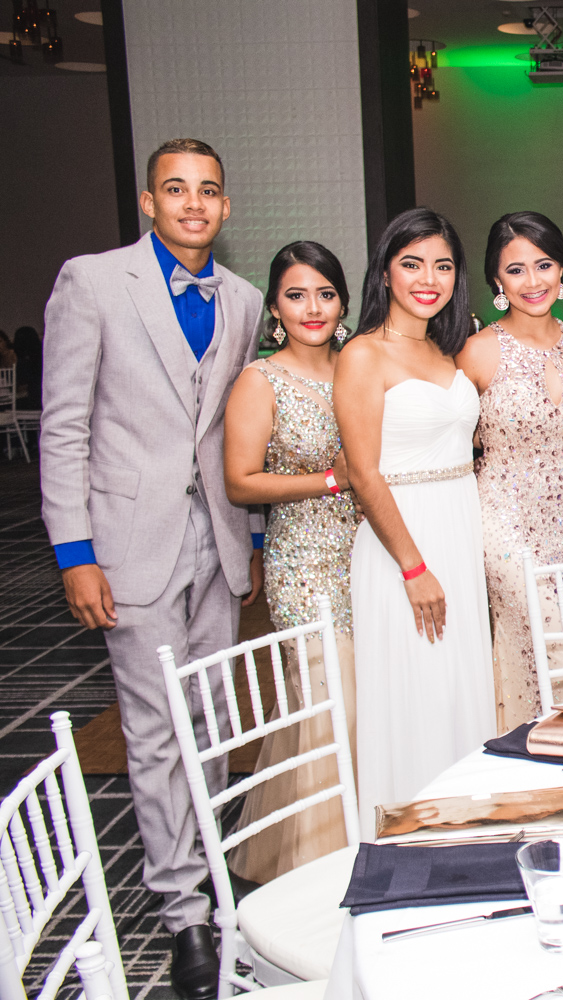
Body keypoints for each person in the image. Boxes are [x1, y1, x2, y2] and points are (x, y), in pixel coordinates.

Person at [38, 137, 263, 998]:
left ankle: (207, 866)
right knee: (154, 729)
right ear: (149, 201)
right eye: (176, 188)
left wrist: (251, 539)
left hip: (218, 539)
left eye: (208, 190)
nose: (193, 203)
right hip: (128, 545)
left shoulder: (242, 299)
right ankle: (181, 913)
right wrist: (74, 553)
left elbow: (232, 427)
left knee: (210, 718)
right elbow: (63, 426)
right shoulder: (93, 282)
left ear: (225, 207)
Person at [334, 208, 494, 836]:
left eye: (443, 266)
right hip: (402, 543)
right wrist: (413, 567)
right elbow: (363, 473)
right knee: (413, 692)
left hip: (457, 526)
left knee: (456, 687)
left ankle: (465, 829)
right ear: (385, 272)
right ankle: (408, 843)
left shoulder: (444, 350)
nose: (429, 279)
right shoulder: (362, 355)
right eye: (412, 264)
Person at [221, 242, 359, 883]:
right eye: (296, 295)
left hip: (369, 556)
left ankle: (362, 846)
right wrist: (333, 480)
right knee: (332, 705)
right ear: (275, 307)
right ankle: (317, 876)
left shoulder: (360, 365)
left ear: (343, 302)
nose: (313, 308)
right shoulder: (261, 379)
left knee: (359, 707)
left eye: (325, 294)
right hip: (304, 563)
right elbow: (240, 481)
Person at [456, 212, 563, 732]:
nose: (533, 281)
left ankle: (556, 754)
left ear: (562, 269)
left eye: (543, 265)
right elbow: (452, 440)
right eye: (515, 270)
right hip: (505, 521)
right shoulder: (478, 351)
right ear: (497, 280)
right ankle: (526, 746)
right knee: (545, 641)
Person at [13, 325, 42, 405]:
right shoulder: (41, 356)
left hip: (32, 397)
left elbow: (22, 381)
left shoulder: (24, 360)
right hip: (41, 397)